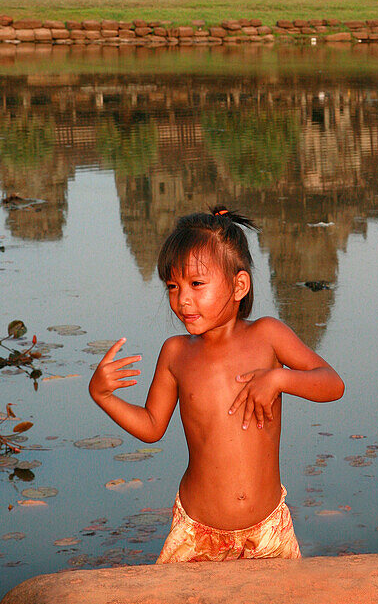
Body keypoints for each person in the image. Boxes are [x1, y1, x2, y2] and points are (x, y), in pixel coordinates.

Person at [89, 207, 344, 563]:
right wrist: (102, 395)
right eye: (173, 287)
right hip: (197, 532)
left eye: (196, 284)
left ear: (239, 285)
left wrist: (279, 378)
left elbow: (332, 384)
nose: (183, 300)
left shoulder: (268, 335)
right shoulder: (176, 353)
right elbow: (151, 427)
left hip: (267, 531)